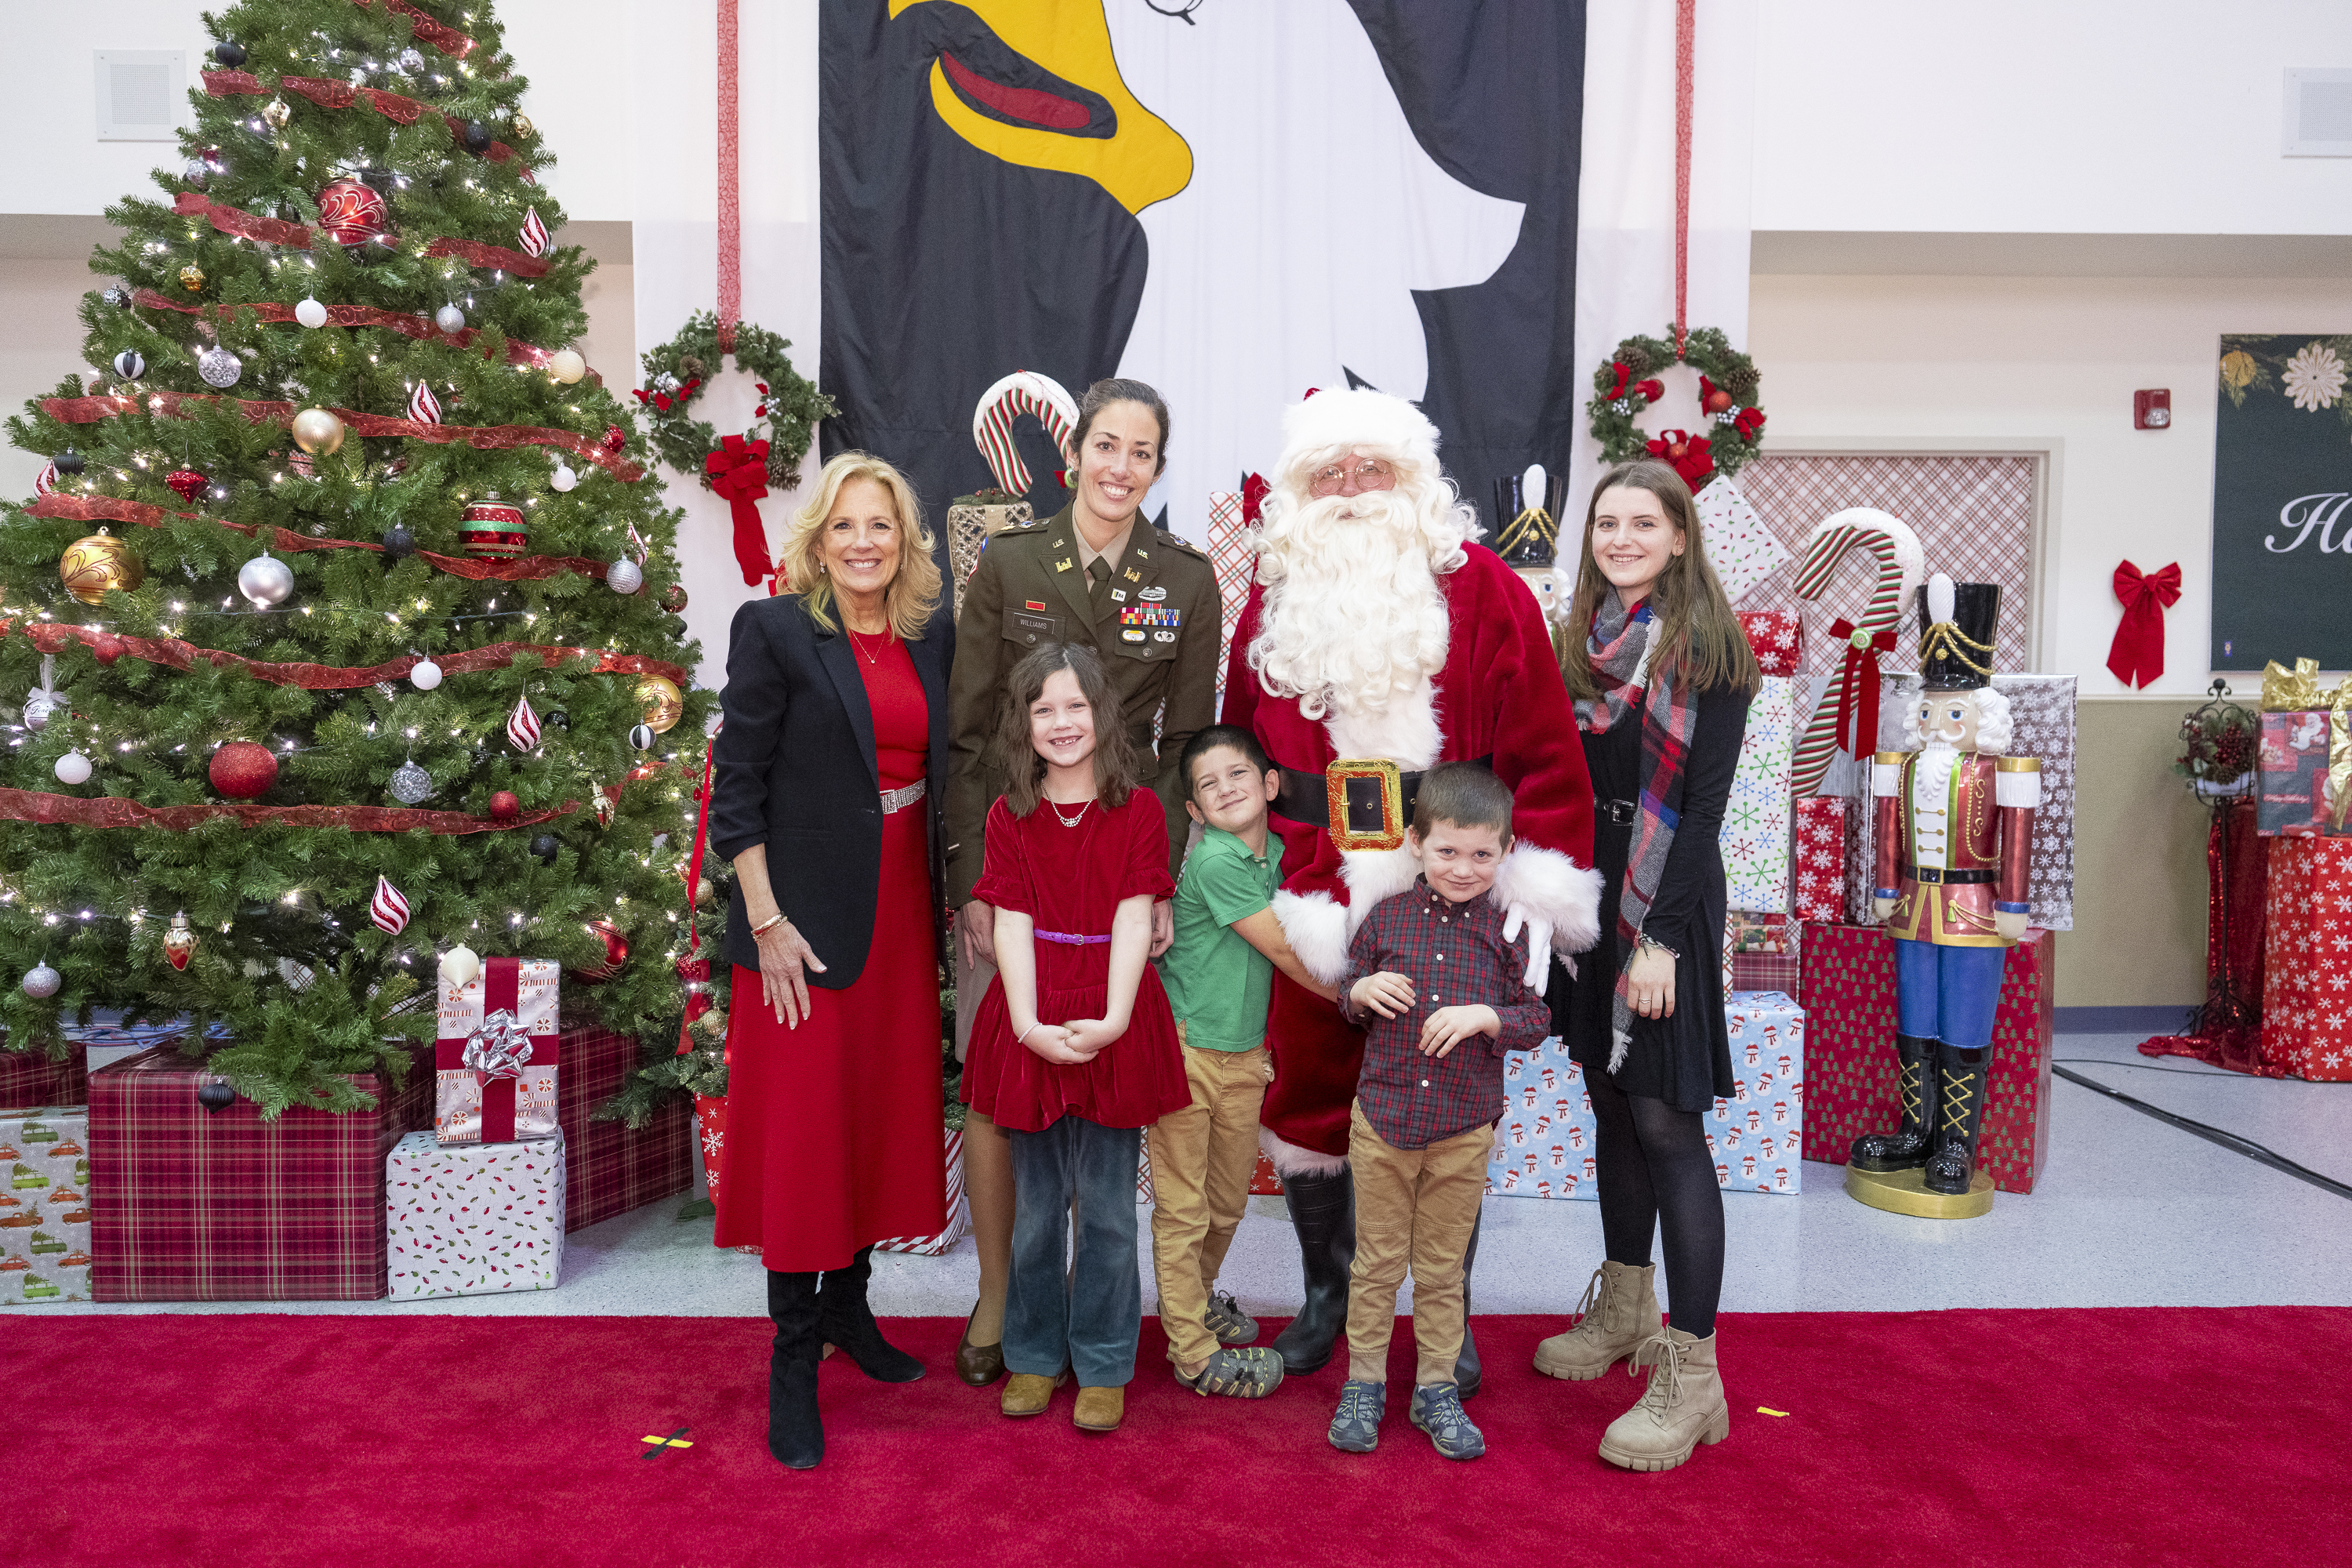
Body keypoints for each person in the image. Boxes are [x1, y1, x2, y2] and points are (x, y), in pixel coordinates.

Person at [1221, 387, 1601, 1392]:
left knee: (1447, 1097)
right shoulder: (1271, 600)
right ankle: (1327, 1302)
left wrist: (1532, 887)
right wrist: (1245, 874)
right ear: (1301, 493)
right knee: (1309, 1102)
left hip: (1455, 892)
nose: (1351, 492)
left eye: (1370, 470)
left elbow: (1548, 756)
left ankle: (1446, 1314)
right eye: (1328, 476)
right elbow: (1237, 755)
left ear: (1412, 480)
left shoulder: (1484, 591)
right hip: (1316, 884)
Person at [944, 379, 1220, 1387]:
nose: (1119, 467)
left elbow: (1187, 741)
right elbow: (971, 730)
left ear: (1156, 466)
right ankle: (999, 1295)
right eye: (1106, 445)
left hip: (1123, 862)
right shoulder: (1011, 561)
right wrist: (971, 877)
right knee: (1001, 1081)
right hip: (1015, 856)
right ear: (1076, 453)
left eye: (1141, 452)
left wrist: (1160, 887)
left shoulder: (1187, 581)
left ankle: (1094, 1334)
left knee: (1106, 1095)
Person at [706, 452, 954, 1471]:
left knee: (874, 1119)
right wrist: (764, 921)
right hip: (797, 933)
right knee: (809, 1138)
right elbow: (737, 789)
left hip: (897, 916)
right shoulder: (774, 632)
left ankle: (851, 1315)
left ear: (905, 543)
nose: (863, 542)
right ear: (819, 537)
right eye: (846, 525)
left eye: (881, 527)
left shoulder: (923, 640)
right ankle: (792, 1363)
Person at [1534, 458, 1759, 1473]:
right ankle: (1625, 1305)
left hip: (1663, 901)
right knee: (1611, 1103)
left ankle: (1695, 1373)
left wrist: (1661, 938)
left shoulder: (1710, 647)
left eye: (1643, 522)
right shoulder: (1579, 644)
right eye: (1607, 523)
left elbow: (1701, 814)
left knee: (1666, 1121)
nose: (1621, 538)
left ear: (1678, 536)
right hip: (1592, 893)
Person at [961, 642, 1190, 1434]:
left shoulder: (1140, 810)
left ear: (1102, 714)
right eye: (1044, 708)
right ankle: (1031, 1353)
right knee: (1033, 1212)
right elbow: (1012, 922)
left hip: (1110, 1007)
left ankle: (1102, 1360)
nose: (1061, 722)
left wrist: (1119, 1017)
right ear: (1024, 723)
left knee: (1107, 1211)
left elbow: (1135, 913)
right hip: (1033, 1010)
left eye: (1075, 706)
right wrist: (1025, 1022)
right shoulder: (1009, 813)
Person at [1326, 764, 1552, 1461]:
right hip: (1384, 1123)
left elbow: (1537, 1017)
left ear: (1506, 852)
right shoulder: (1386, 917)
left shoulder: (1508, 932)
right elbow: (1343, 996)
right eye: (1448, 850)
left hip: (1463, 1128)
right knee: (1375, 1264)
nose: (1463, 868)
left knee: (1443, 1269)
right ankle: (1363, 1382)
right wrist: (1361, 990)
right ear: (1416, 843)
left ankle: (1436, 1388)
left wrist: (1489, 1016)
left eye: (1482, 854)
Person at [1149, 724, 1330, 1399]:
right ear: (1194, 811)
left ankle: (1193, 1303)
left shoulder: (1282, 855)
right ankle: (1192, 1351)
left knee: (1226, 1204)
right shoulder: (1217, 861)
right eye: (1207, 785)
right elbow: (1287, 950)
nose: (1226, 790)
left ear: (1271, 784)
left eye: (1238, 775)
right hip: (1188, 1052)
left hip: (1247, 1058)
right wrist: (1358, 995)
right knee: (1184, 1207)